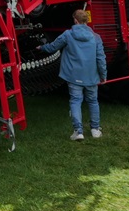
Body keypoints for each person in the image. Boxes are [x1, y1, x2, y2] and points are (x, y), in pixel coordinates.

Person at [38, 8, 107, 141]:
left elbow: (53, 47)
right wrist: (103, 75)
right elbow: (101, 58)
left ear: (75, 20)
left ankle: (78, 131)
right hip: (91, 76)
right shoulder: (96, 37)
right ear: (86, 21)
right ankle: (95, 130)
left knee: (75, 101)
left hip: (73, 75)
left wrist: (41, 48)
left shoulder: (68, 35)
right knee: (93, 101)